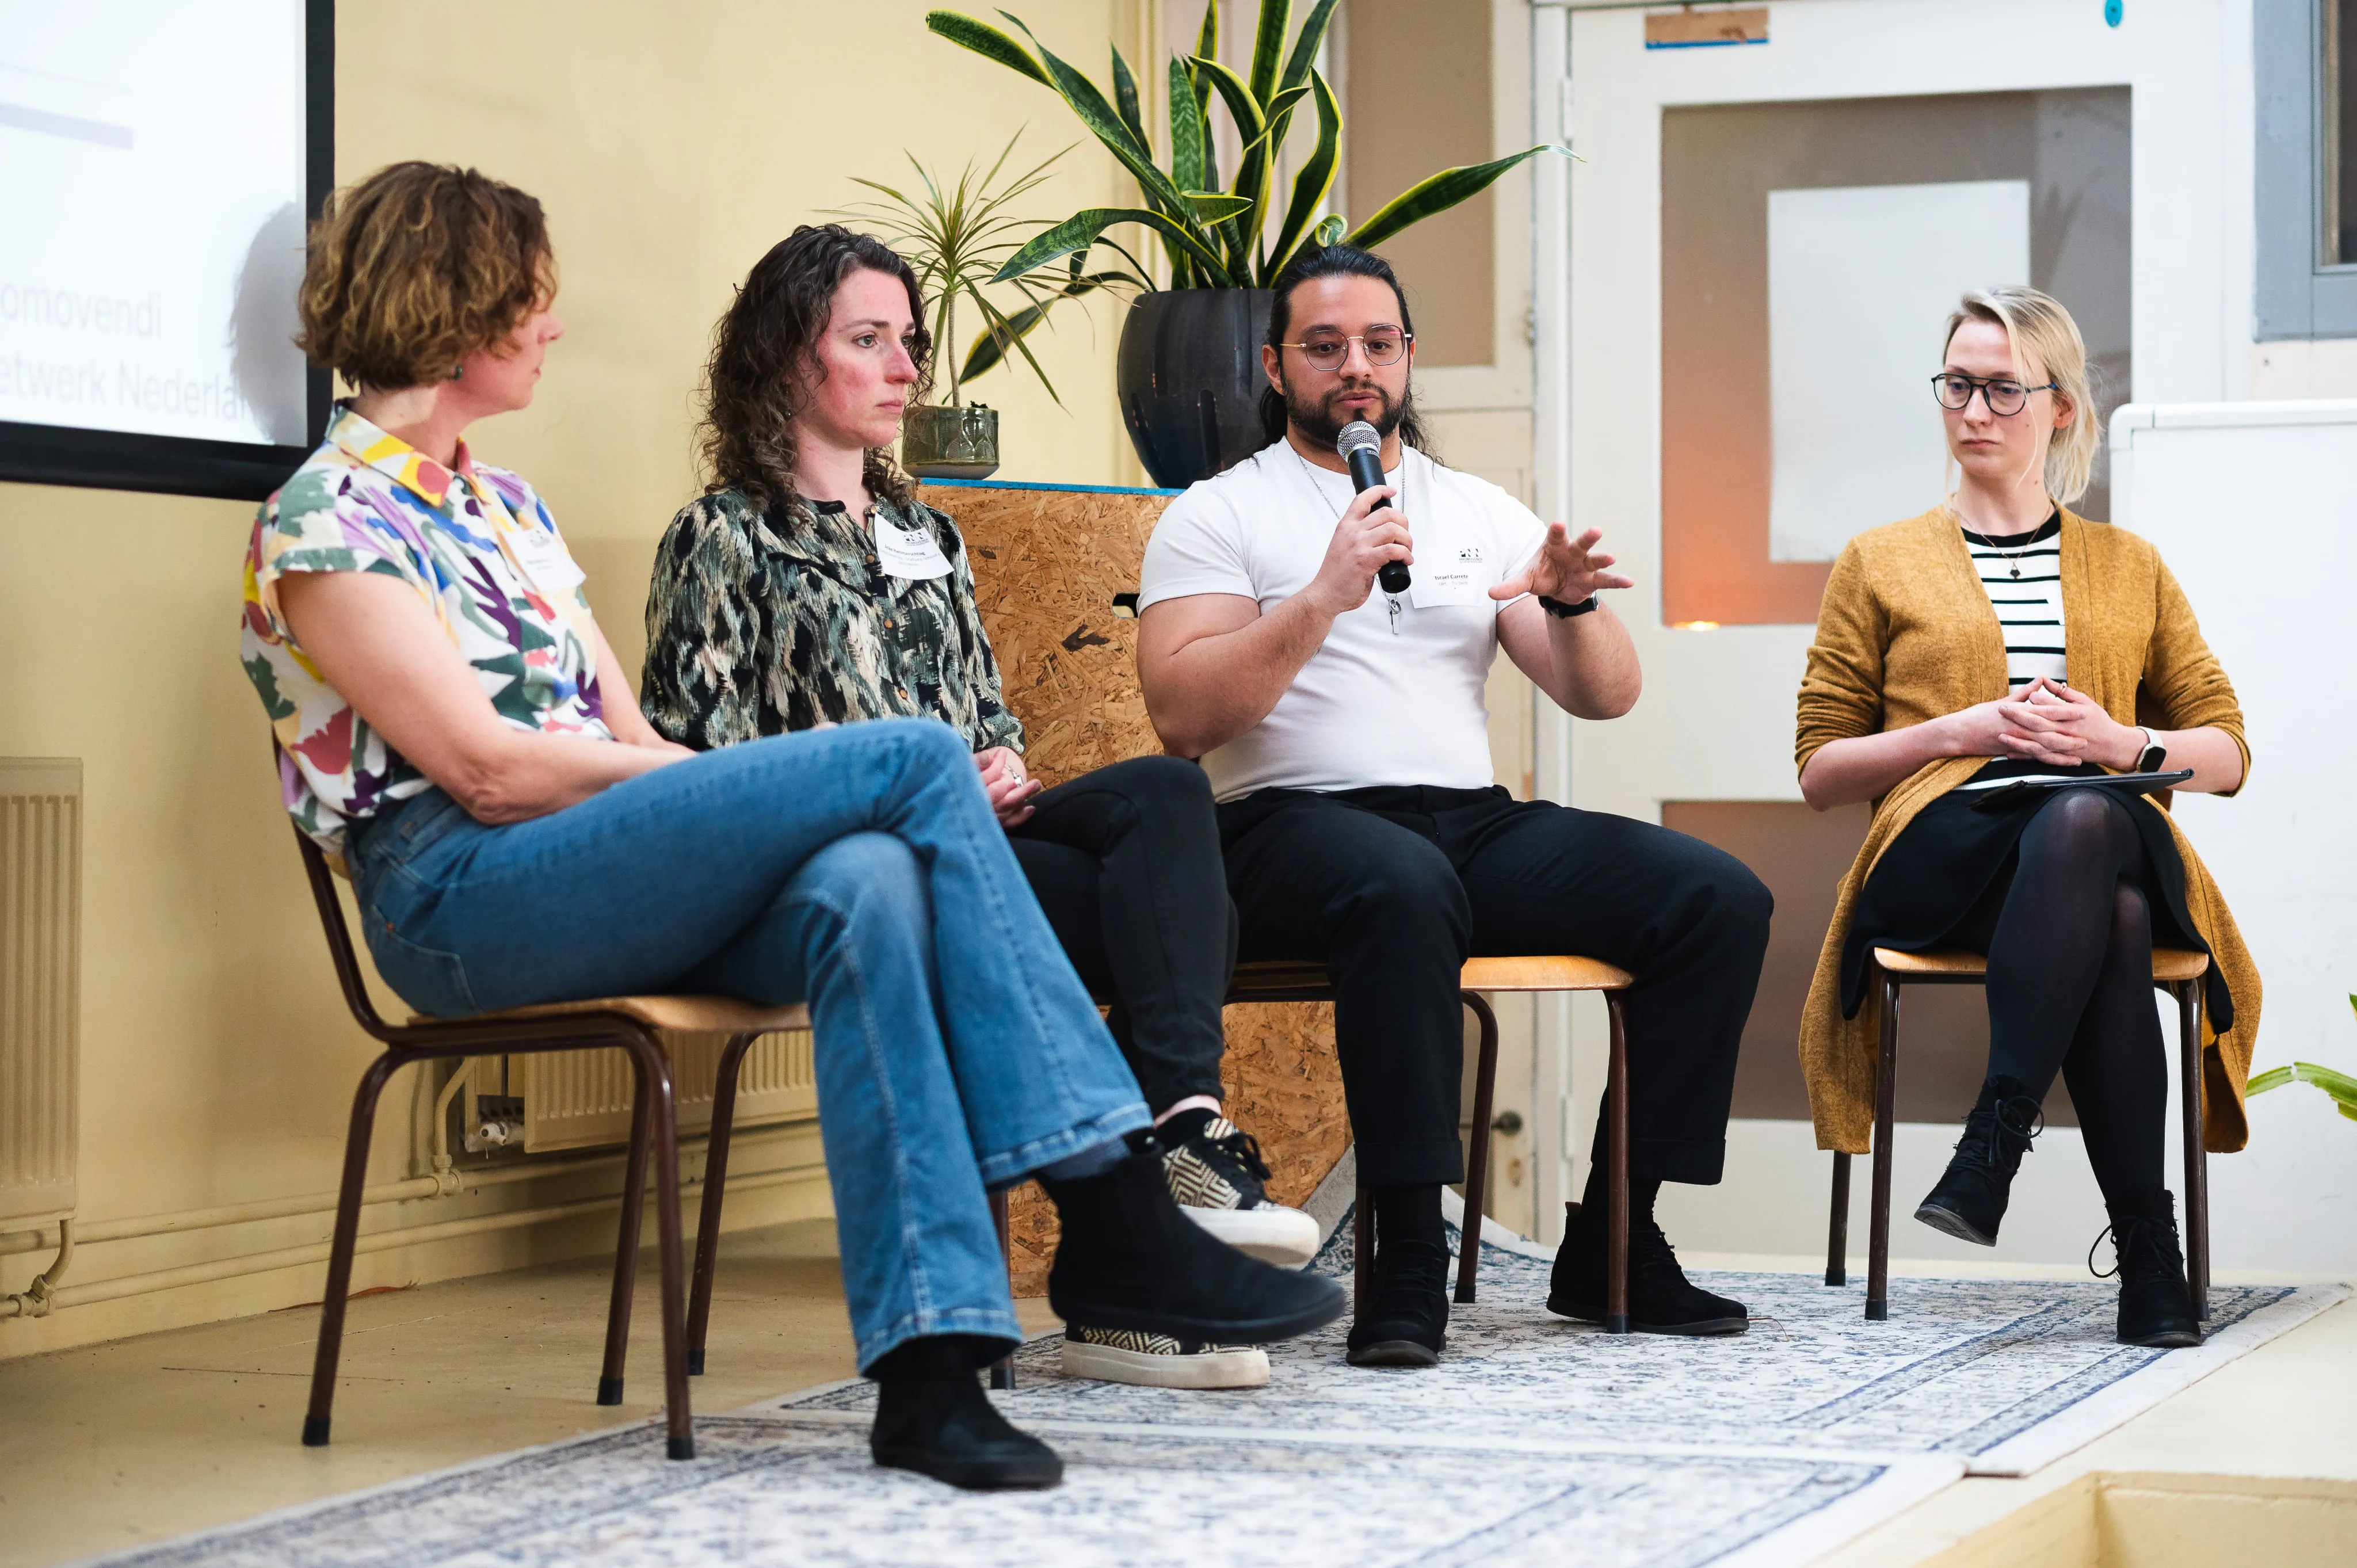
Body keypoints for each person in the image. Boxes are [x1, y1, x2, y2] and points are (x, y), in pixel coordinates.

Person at [240, 162, 1341, 1489]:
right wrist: (776, 783)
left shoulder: (503, 509)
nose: (551, 325)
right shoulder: (324, 520)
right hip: (456, 898)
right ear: (458, 309)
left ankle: (929, 1380)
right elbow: (480, 771)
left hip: (589, 861)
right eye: (531, 300)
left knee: (869, 882)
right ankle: (1113, 1208)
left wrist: (758, 795)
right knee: (903, 767)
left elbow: (630, 744)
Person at [637, 226, 1319, 1392]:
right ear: (784, 360)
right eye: (868, 340)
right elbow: (691, 763)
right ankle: (1127, 1269)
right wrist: (895, 777)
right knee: (1049, 899)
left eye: (909, 341)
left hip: (977, 847)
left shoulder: (926, 535)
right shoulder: (721, 536)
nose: (906, 366)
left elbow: (986, 715)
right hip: (847, 870)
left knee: (1160, 794)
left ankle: (1183, 1139)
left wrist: (999, 770)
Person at [1134, 243, 1774, 1366]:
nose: (1355, 369)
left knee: (1711, 895)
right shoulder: (1216, 513)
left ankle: (1615, 1237)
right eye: (1324, 348)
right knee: (1398, 881)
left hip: (1464, 821)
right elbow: (1183, 718)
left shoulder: (1473, 509)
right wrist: (1325, 593)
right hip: (1283, 824)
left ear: (1408, 358)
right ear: (1276, 366)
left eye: (1377, 345)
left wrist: (1569, 606)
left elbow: (1603, 695)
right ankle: (1407, 1262)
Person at [1795, 286, 2261, 1348]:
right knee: (2114, 895)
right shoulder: (1880, 560)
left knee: (2091, 831)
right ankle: (2149, 1248)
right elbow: (1821, 770)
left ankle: (2004, 1150)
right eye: (1957, 383)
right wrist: (1959, 731)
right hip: (1939, 849)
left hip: (2091, 835)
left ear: (2058, 408)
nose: (1975, 410)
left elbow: (2227, 754)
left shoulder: (2127, 565)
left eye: (2004, 388)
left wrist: (2118, 746)